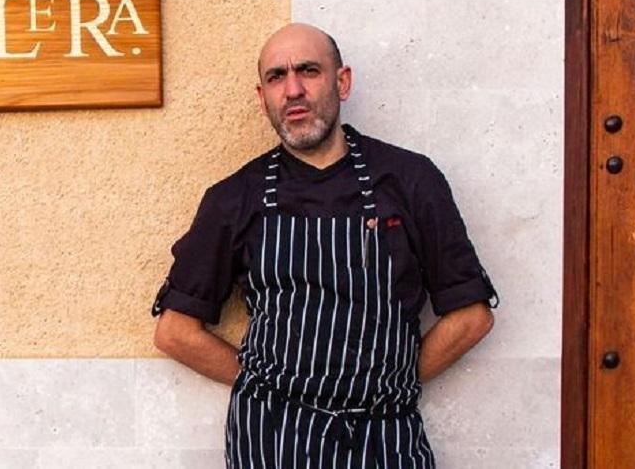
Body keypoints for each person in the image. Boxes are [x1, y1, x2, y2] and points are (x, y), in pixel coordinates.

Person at [151, 23, 499, 468]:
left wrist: (392, 385)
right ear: (263, 98)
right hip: (273, 443)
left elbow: (471, 316)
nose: (293, 89)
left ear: (342, 81)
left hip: (384, 437)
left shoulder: (410, 181)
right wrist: (269, 389)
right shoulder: (234, 198)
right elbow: (175, 332)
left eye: (309, 71)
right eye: (277, 77)